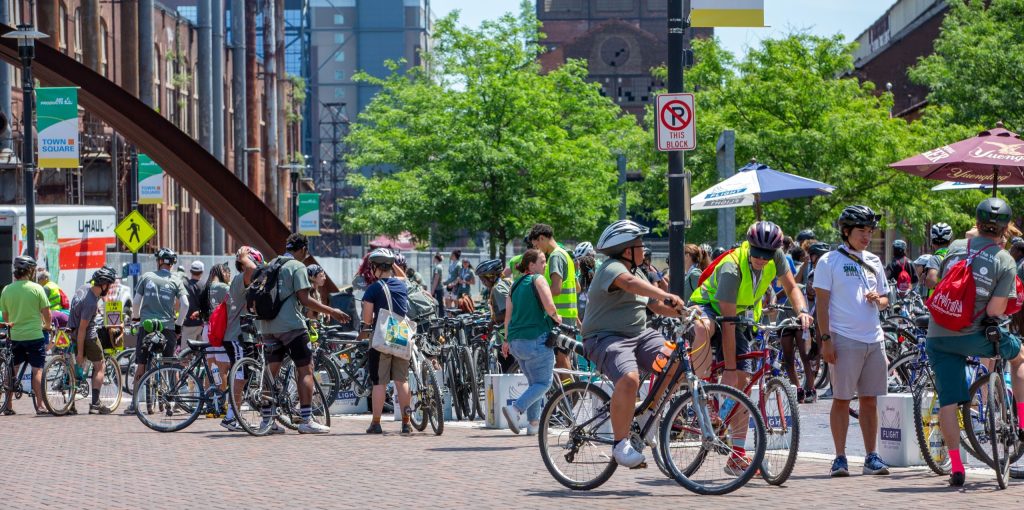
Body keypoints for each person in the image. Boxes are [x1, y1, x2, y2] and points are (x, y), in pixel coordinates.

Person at [689, 221, 814, 474]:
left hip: (741, 313)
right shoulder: (731, 268)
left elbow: (791, 287)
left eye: (767, 255)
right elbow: (728, 322)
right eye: (757, 253)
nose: (761, 259)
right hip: (710, 306)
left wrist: (802, 311)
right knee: (705, 330)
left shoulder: (775, 257)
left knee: (744, 385)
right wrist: (731, 369)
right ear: (749, 246)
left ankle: (737, 456)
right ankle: (704, 396)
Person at [926, 198, 1024, 487]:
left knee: (948, 402)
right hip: (975, 335)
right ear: (1005, 228)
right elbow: (994, 311)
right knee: (1019, 358)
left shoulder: (955, 247)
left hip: (938, 335)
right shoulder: (1004, 259)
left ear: (976, 222)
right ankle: (1021, 422)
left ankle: (956, 467)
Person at [581, 220, 686, 468]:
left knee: (676, 361)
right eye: (640, 244)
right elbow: (629, 285)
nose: (644, 249)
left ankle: (649, 413)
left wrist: (686, 313)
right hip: (605, 337)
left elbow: (655, 306)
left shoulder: (638, 273)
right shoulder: (612, 268)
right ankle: (620, 445)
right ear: (627, 250)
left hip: (639, 335)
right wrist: (665, 293)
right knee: (629, 379)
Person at [814, 205, 892, 477]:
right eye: (862, 230)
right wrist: (825, 340)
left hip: (874, 338)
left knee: (870, 400)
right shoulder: (828, 261)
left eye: (870, 231)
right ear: (846, 231)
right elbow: (821, 306)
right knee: (842, 399)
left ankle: (872, 456)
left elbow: (885, 300)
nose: (867, 236)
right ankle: (840, 457)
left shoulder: (874, 260)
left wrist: (878, 300)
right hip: (844, 338)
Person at [258, 234, 350, 434]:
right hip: (291, 327)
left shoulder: (272, 263)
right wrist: (332, 311)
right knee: (306, 369)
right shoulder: (296, 267)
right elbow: (305, 299)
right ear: (302, 250)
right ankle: (306, 420)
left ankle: (267, 421)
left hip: (267, 327)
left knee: (270, 373)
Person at [501, 249, 560, 435]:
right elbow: (550, 306)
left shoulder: (514, 285)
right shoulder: (538, 279)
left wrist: (506, 340)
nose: (545, 265)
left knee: (534, 383)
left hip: (516, 342)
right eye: (542, 261)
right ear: (531, 265)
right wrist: (558, 318)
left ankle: (534, 424)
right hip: (536, 337)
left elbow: (507, 317)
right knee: (544, 383)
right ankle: (516, 409)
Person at [126, 248, 189, 414]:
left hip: (146, 326)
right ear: (172, 264)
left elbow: (136, 301)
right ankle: (172, 400)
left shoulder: (147, 277)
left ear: (159, 261)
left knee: (141, 364)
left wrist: (136, 317)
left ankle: (134, 404)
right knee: (170, 363)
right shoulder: (176, 280)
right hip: (167, 327)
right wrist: (178, 324)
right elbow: (185, 304)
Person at [359, 248, 414, 435]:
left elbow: (367, 319)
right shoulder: (402, 285)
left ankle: (376, 423)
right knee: (401, 380)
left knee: (379, 382)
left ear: (376, 267)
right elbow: (403, 277)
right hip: (401, 336)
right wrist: (392, 264)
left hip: (381, 338)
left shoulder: (373, 289)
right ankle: (406, 422)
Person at [220, 246, 264, 431]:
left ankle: (234, 414)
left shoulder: (245, 280)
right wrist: (244, 257)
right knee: (241, 375)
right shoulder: (242, 278)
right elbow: (254, 270)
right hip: (237, 335)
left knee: (244, 375)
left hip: (244, 335)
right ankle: (231, 417)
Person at [0, 256, 51, 414]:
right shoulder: (37, 289)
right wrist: (47, 326)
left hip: (15, 336)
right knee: (37, 370)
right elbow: (47, 313)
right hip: (34, 335)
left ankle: (8, 406)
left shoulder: (7, 289)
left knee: (12, 369)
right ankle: (40, 406)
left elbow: (6, 315)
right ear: (30, 271)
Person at [528, 224, 579, 374]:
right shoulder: (565, 254)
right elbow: (575, 287)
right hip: (568, 315)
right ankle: (571, 393)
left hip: (559, 317)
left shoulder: (555, 256)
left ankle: (570, 395)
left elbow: (556, 289)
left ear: (542, 238)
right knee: (564, 358)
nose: (537, 249)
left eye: (536, 244)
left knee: (561, 359)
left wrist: (539, 296)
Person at [67, 266, 118, 415]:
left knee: (75, 369)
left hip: (72, 331)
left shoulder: (83, 289)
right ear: (103, 285)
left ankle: (70, 405)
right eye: (109, 285)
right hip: (87, 335)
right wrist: (81, 353)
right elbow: (83, 329)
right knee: (99, 366)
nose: (109, 288)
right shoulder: (90, 303)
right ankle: (95, 403)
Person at [199, 263, 232, 415]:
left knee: (211, 369)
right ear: (222, 272)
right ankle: (222, 404)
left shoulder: (205, 288)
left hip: (207, 330)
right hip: (219, 331)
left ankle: (210, 406)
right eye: (228, 273)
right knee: (223, 368)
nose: (229, 276)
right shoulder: (224, 288)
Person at [476, 259, 515, 373]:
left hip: (505, 333)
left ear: (491, 276)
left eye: (483, 278)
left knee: (506, 368)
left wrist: (493, 321)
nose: (482, 282)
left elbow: (507, 311)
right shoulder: (506, 282)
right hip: (512, 331)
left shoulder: (497, 288)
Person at [922, 222, 953, 297]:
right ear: (950, 241)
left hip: (937, 303)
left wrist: (924, 279)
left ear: (932, 242)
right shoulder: (955, 256)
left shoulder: (935, 259)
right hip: (953, 302)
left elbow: (931, 282)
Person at [181, 260, 206, 344]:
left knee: (186, 353)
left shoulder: (184, 284)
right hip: (202, 324)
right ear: (201, 272)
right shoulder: (205, 285)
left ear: (191, 271)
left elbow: (178, 303)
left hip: (188, 323)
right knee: (203, 353)